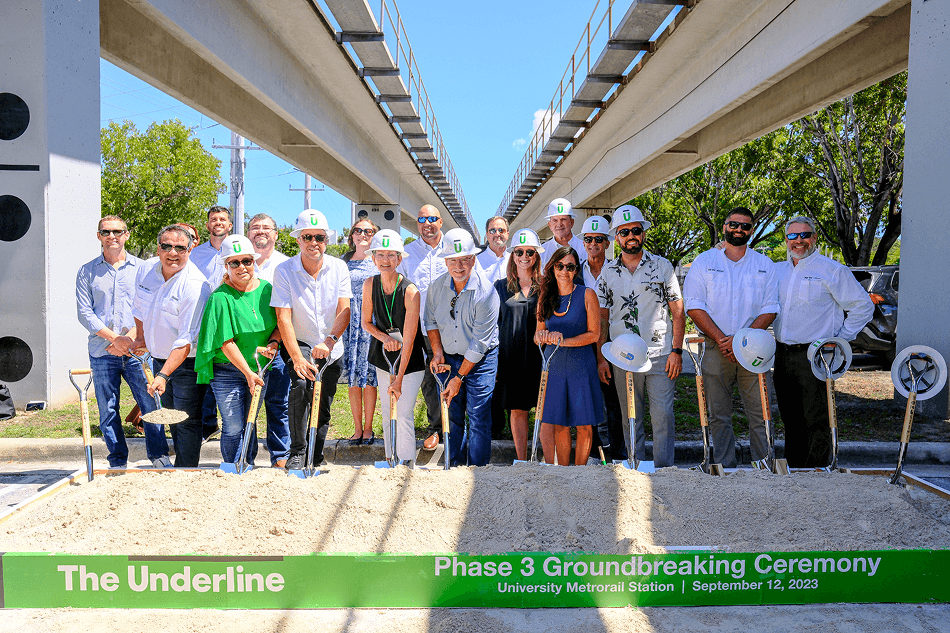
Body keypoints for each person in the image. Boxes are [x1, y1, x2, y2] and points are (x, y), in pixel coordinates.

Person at [683, 207, 779, 468]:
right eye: (733, 225)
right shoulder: (704, 262)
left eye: (745, 226)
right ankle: (725, 466)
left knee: (761, 413)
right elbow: (693, 305)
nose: (739, 230)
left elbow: (771, 307)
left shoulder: (764, 265)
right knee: (718, 414)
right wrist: (726, 340)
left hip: (755, 350)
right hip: (716, 348)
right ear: (724, 226)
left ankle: (764, 465)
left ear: (752, 230)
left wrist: (743, 341)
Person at [773, 216, 873, 467]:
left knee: (816, 416)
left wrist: (839, 339)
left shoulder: (832, 270)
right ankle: (794, 470)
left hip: (816, 354)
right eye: (793, 236)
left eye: (805, 235)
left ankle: (817, 472)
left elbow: (862, 306)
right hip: (782, 354)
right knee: (790, 416)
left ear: (814, 238)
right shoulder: (777, 271)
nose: (799, 241)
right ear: (785, 240)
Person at [76, 215, 170, 469]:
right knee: (107, 410)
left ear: (127, 235)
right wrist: (114, 339)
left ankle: (159, 457)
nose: (112, 236)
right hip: (101, 350)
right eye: (106, 232)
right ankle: (117, 460)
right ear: (99, 236)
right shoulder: (87, 272)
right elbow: (85, 313)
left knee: (150, 403)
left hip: (138, 351)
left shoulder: (143, 269)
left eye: (118, 231)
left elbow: (150, 307)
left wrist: (128, 339)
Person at [596, 206, 686, 467]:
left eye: (636, 230)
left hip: (659, 356)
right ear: (617, 238)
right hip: (623, 357)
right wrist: (602, 358)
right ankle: (636, 469)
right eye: (624, 232)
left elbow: (678, 312)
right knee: (630, 418)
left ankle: (664, 471)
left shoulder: (662, 266)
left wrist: (676, 351)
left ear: (643, 232)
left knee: (663, 417)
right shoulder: (608, 272)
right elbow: (602, 318)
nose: (631, 236)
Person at [271, 209, 351, 470]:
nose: (313, 242)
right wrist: (296, 358)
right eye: (308, 237)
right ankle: (297, 451)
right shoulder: (284, 271)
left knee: (324, 400)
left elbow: (344, 310)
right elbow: (283, 318)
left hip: (331, 343)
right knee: (301, 388)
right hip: (300, 340)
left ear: (326, 240)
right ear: (298, 240)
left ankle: (315, 453)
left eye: (319, 237)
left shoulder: (339, 267)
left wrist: (329, 342)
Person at [194, 236, 280, 465]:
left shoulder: (267, 290)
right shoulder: (220, 297)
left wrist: (274, 343)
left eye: (247, 261)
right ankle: (233, 465)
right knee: (233, 425)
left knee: (250, 421)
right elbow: (225, 342)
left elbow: (280, 324)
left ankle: (247, 464)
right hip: (228, 371)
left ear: (254, 262)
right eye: (235, 262)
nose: (242, 267)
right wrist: (248, 373)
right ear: (226, 266)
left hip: (259, 369)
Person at [131, 224, 212, 467]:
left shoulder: (196, 285)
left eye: (180, 248)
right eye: (166, 246)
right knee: (172, 419)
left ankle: (185, 473)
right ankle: (182, 468)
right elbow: (139, 306)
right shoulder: (147, 269)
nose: (172, 253)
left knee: (186, 420)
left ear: (190, 249)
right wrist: (141, 338)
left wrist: (164, 374)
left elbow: (186, 339)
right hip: (158, 361)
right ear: (158, 248)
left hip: (187, 364)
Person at [424, 228, 500, 467]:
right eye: (453, 260)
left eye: (465, 259)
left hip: (481, 359)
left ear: (474, 259)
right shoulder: (436, 288)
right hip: (448, 356)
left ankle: (478, 470)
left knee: (478, 415)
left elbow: (479, 344)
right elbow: (430, 322)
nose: (459, 265)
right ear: (445, 261)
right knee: (453, 415)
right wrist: (437, 352)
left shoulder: (486, 293)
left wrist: (458, 377)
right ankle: (453, 465)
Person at [361, 230, 426, 464]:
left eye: (391, 255)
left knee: (404, 411)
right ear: (373, 258)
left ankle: (407, 462)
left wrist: (398, 378)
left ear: (400, 259)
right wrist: (384, 338)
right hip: (383, 356)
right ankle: (390, 459)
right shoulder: (370, 284)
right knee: (388, 410)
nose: (385, 260)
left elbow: (408, 340)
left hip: (409, 360)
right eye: (380, 254)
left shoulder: (410, 291)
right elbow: (366, 323)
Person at [535, 246, 603, 465]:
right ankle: (564, 473)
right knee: (559, 423)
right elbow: (537, 335)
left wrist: (563, 341)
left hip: (581, 365)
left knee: (584, 423)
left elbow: (594, 334)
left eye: (570, 267)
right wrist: (543, 336)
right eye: (560, 265)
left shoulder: (587, 294)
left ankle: (580, 472)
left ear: (576, 271)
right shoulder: (545, 296)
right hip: (554, 366)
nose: (564, 270)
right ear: (553, 267)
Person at [398, 204, 449, 451]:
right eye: (421, 219)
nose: (426, 223)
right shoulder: (407, 253)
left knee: (443, 374)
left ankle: (451, 427)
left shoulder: (451, 249)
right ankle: (434, 429)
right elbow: (397, 290)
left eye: (432, 218)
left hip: (446, 327)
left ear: (441, 222)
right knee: (424, 379)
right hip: (414, 326)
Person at [492, 229, 544, 461]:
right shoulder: (500, 287)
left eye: (530, 252)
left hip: (540, 356)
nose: (525, 256)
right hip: (510, 357)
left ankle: (544, 458)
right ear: (512, 256)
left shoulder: (547, 286)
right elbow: (493, 324)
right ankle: (523, 460)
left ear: (536, 256)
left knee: (544, 410)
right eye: (519, 252)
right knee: (517, 409)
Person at [579, 214, 624, 459]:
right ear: (583, 242)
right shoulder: (574, 272)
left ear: (608, 242)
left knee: (615, 402)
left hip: (613, 344)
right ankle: (595, 454)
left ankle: (618, 453)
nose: (593, 244)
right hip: (582, 344)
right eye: (589, 239)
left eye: (599, 239)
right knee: (588, 400)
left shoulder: (618, 271)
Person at [248, 213, 291, 467]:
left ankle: (280, 455)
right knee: (246, 405)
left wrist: (275, 340)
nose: (260, 232)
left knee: (278, 402)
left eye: (266, 228)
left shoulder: (286, 265)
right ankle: (246, 455)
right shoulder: (239, 262)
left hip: (278, 347)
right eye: (255, 228)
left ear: (276, 234)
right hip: (245, 350)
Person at [341, 218, 380, 445]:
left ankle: (368, 428)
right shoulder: (342, 264)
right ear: (352, 235)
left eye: (368, 231)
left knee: (370, 378)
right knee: (354, 378)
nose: (363, 234)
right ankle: (356, 428)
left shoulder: (378, 261)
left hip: (371, 324)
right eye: (358, 230)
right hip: (349, 325)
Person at [189, 206, 233, 285]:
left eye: (222, 219)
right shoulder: (195, 254)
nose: (218, 223)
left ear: (230, 226)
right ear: (207, 226)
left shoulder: (238, 251)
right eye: (213, 220)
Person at [539, 198, 585, 268]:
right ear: (550, 225)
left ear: (572, 222)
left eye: (563, 219)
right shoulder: (542, 252)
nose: (559, 224)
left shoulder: (585, 248)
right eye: (555, 220)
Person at [477, 216, 510, 284]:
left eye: (501, 230)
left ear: (507, 234)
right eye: (492, 231)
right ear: (487, 235)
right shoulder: (476, 262)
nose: (497, 234)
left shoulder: (518, 261)